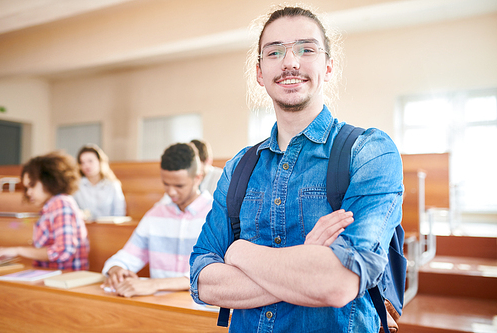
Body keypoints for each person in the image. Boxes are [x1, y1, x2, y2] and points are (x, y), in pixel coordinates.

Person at [190, 5, 403, 333]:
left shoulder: (370, 152)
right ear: (260, 73)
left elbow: (339, 283)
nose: (290, 62)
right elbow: (202, 281)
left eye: (306, 49)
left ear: (329, 66)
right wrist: (306, 263)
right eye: (274, 52)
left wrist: (239, 252)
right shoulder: (239, 168)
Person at [101, 143, 213, 297]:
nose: (171, 192)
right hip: (159, 306)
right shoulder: (154, 215)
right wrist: (116, 268)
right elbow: (128, 255)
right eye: (166, 184)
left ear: (198, 178)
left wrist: (155, 284)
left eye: (179, 185)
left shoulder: (216, 216)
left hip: (199, 308)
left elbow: (213, 274)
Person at [0, 152, 90, 271]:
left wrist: (17, 251)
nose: (28, 192)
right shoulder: (51, 206)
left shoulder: (60, 204)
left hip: (64, 280)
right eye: (26, 188)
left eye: (32, 185)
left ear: (48, 181)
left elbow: (63, 251)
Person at [74, 144, 126, 221]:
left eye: (90, 161)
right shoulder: (76, 185)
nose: (86, 166)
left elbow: (119, 213)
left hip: (108, 229)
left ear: (100, 161)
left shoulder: (112, 185)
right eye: (82, 162)